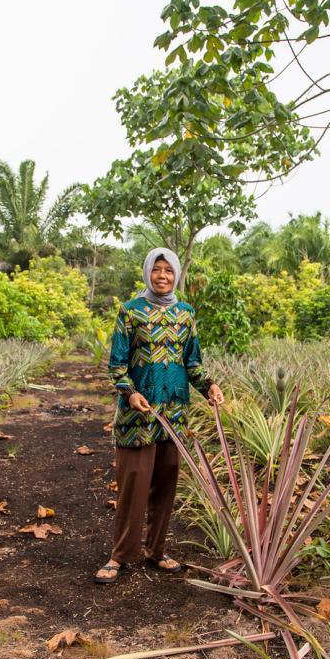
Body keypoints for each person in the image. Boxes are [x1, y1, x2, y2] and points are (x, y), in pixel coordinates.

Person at [94, 247, 224, 584]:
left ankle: (156, 550)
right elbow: (117, 365)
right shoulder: (131, 312)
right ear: (147, 272)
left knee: (165, 485)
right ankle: (121, 555)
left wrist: (208, 386)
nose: (163, 276)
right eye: (157, 270)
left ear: (176, 275)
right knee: (133, 486)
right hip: (138, 416)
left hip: (175, 415)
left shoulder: (186, 314)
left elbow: (192, 363)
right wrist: (130, 391)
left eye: (169, 271)